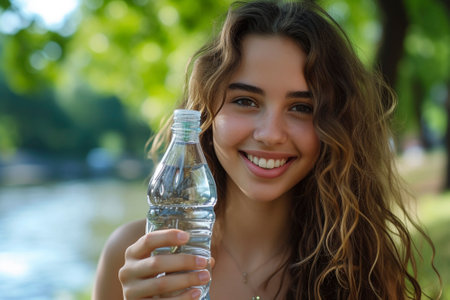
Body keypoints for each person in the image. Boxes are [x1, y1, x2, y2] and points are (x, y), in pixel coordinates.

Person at [92, 1, 440, 299]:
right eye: (246, 101)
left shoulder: (365, 268)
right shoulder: (137, 256)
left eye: (302, 107)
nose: (271, 134)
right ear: (205, 115)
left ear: (337, 126)